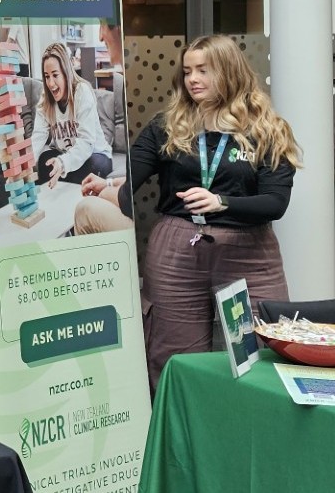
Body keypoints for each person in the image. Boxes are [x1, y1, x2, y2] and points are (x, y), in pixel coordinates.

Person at [81, 34, 300, 391]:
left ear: (229, 72)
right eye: (187, 71)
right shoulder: (167, 126)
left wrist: (222, 202)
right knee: (174, 361)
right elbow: (129, 190)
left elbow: (275, 203)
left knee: (259, 356)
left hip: (248, 255)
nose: (192, 79)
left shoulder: (266, 130)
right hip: (178, 254)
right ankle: (181, 441)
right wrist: (109, 186)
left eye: (203, 70)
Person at [31, 43, 112, 187]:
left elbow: (87, 143)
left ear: (66, 72)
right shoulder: (46, 99)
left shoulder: (82, 91)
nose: (50, 83)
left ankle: (67, 185)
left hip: (95, 154)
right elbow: (38, 136)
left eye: (55, 75)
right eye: (46, 76)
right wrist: (24, 165)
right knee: (45, 160)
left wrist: (63, 163)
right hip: (65, 155)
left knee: (92, 166)